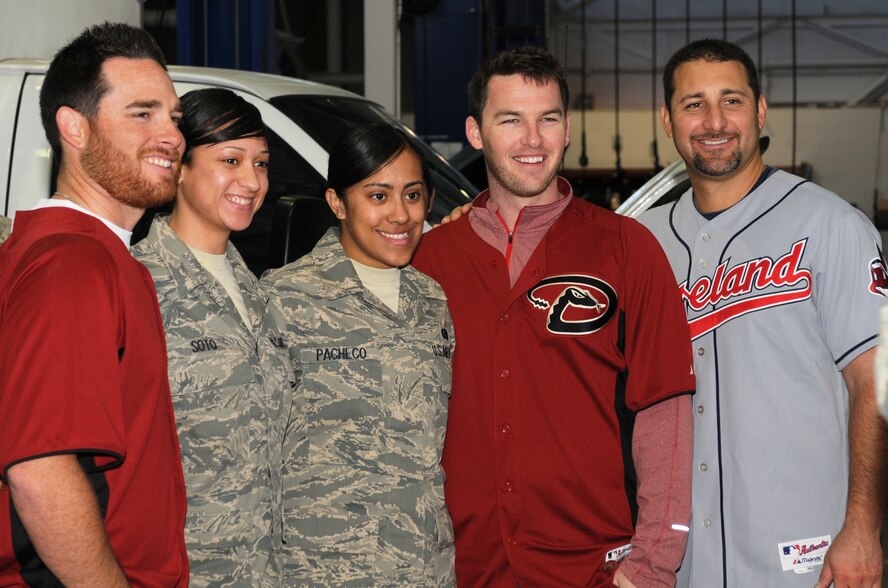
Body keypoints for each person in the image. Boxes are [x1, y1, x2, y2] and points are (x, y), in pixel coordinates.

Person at [411, 46, 696, 587]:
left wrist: (650, 567)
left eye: (548, 119)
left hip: (592, 567)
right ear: (476, 132)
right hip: (462, 567)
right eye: (510, 120)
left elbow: (667, 414)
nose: (533, 139)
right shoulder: (429, 260)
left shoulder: (626, 248)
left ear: (567, 129)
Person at [639, 38, 888, 588]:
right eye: (692, 103)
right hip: (680, 560)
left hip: (808, 553)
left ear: (760, 109)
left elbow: (875, 385)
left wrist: (865, 529)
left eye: (731, 100)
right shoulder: (641, 241)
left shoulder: (831, 226)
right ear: (667, 118)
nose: (713, 121)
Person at [0, 22, 188, 586]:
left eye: (174, 118)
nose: (172, 136)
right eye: (142, 113)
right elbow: (40, 467)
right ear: (73, 127)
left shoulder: (65, 252)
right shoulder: (75, 264)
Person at [262, 123, 455, 586]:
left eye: (412, 195)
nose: (400, 215)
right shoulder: (284, 298)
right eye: (378, 196)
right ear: (337, 203)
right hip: (323, 571)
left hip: (424, 569)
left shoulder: (432, 302)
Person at [132, 88, 293, 587]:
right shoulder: (141, 284)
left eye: (261, 164)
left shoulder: (259, 292)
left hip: (267, 570)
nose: (252, 181)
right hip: (183, 570)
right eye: (231, 160)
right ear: (179, 166)